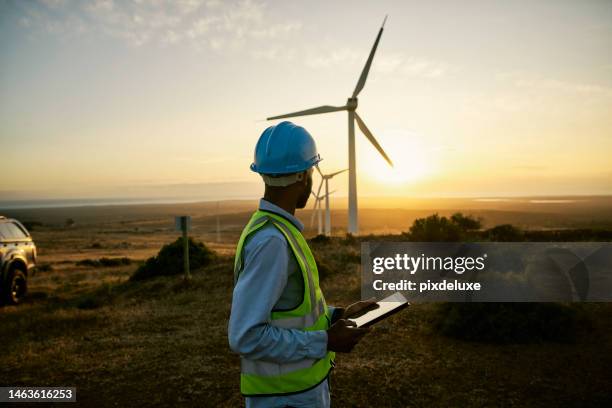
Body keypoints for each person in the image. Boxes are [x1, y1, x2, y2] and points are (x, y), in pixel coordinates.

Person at [228, 121, 377, 408]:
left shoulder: (275, 230)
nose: (311, 177)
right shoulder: (272, 241)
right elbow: (245, 336)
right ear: (302, 177)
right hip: (285, 400)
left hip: (294, 394)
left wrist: (338, 315)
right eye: (310, 170)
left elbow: (287, 310)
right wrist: (325, 342)